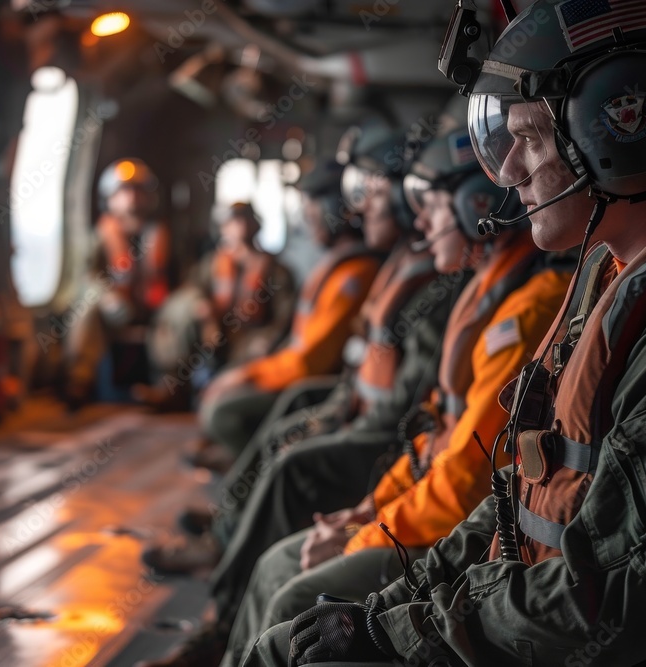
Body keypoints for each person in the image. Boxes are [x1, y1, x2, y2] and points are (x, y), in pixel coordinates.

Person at [246, 1, 646, 665]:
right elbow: (519, 493)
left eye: (532, 139)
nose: (511, 171)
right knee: (294, 639)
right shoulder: (610, 276)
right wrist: (389, 606)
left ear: (620, 128)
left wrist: (396, 632)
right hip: (543, 617)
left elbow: (599, 597)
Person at [222, 123, 572, 667]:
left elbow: (464, 479)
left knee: (292, 595)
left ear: (475, 204)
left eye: (428, 205)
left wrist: (364, 533)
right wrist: (365, 511)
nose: (421, 221)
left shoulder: (524, 310)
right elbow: (433, 432)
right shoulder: (485, 290)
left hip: (450, 531)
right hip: (418, 503)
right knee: (275, 565)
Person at [140, 125, 452, 667]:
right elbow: (362, 374)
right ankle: (225, 552)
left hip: (383, 439)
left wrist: (364, 502)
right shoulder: (401, 270)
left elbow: (402, 411)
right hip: (370, 420)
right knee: (293, 424)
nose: (362, 209)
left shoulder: (422, 283)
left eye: (374, 194)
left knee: (294, 465)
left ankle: (223, 598)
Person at [197, 159, 384, 457]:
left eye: (312, 211)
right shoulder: (334, 268)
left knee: (223, 414)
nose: (309, 222)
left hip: (313, 384)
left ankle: (249, 478)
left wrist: (249, 375)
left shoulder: (354, 275)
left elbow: (309, 362)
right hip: (290, 370)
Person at [145, 202, 296, 406]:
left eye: (244, 220)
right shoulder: (212, 265)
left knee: (236, 380)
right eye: (232, 222)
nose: (238, 227)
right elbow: (191, 291)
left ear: (255, 225)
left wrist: (265, 340)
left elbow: (283, 319)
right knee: (181, 316)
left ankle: (224, 398)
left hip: (249, 340)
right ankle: (173, 388)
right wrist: (205, 313)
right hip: (215, 336)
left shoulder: (276, 271)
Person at [64, 158, 174, 405]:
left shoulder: (161, 233)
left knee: (179, 315)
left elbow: (182, 276)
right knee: (87, 308)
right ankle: (78, 383)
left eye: (137, 190)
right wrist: (106, 296)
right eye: (124, 191)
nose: (132, 197)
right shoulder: (103, 235)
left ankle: (168, 388)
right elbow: (85, 276)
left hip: (157, 308)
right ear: (110, 198)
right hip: (117, 310)